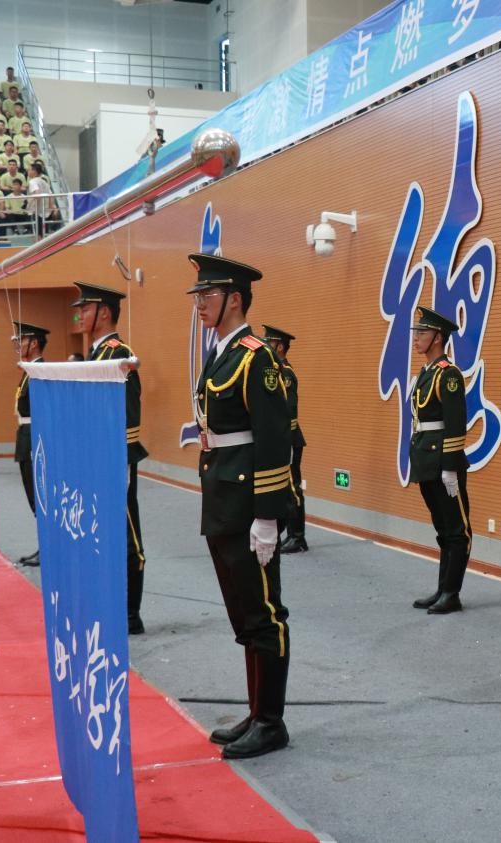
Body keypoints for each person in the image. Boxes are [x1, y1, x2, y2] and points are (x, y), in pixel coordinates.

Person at [186, 253, 293, 759]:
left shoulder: (257, 358)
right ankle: (256, 710)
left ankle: (272, 721)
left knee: (264, 613)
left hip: (248, 501)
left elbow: (274, 440)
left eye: (207, 295)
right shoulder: (221, 353)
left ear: (234, 299)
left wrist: (268, 516)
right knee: (243, 613)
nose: (199, 304)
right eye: (198, 296)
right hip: (223, 497)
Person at [70, 281, 149, 634]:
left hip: (116, 459)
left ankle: (131, 613)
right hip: (97, 458)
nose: (79, 315)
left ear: (103, 312)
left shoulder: (118, 354)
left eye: (85, 308)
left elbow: (129, 413)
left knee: (127, 532)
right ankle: (112, 603)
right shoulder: (96, 354)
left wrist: (119, 461)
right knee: (103, 529)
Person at [407, 307, 470, 615]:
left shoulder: (449, 374)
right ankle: (442, 589)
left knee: (457, 529)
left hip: (443, 462)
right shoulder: (427, 372)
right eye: (417, 332)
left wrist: (450, 467)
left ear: (437, 338)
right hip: (426, 459)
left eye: (422, 332)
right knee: (442, 528)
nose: (416, 337)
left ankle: (452, 593)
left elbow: (456, 424)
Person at [263, 325, 307, 553]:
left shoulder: (285, 374)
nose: (266, 346)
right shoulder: (276, 370)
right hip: (281, 438)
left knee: (292, 487)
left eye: (269, 343)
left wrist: (281, 438)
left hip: (288, 438)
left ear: (280, 347)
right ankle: (290, 533)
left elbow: (288, 409)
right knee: (284, 488)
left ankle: (297, 537)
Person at [12, 322, 48, 567]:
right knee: (33, 497)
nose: (18, 345)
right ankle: (44, 546)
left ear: (34, 343)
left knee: (40, 498)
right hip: (26, 435)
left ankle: (48, 549)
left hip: (35, 437)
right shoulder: (29, 371)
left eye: (22, 340)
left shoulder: (40, 371)